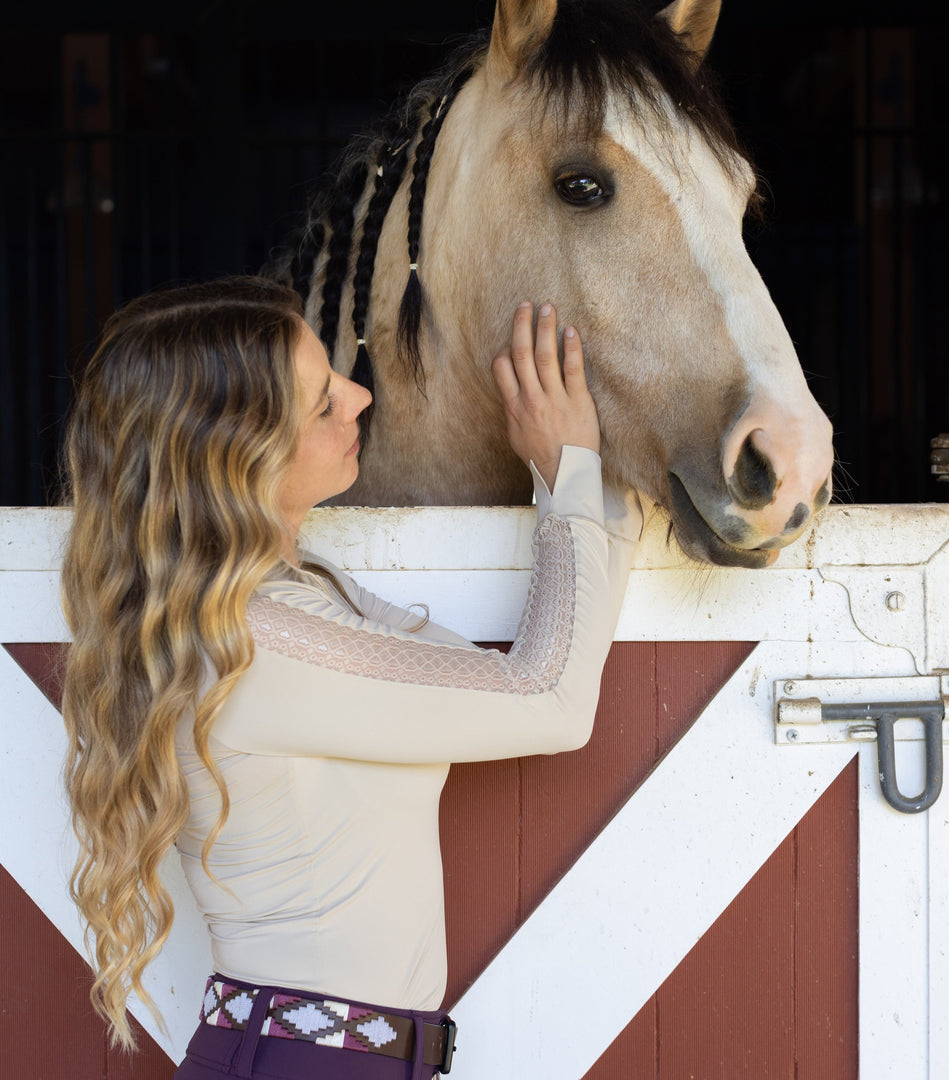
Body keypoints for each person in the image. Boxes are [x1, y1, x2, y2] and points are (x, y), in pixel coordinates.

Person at [61, 276, 642, 1080]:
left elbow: (491, 680)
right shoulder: (257, 640)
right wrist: (573, 470)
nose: (360, 396)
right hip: (306, 1062)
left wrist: (590, 489)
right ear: (235, 453)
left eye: (337, 376)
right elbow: (548, 699)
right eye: (319, 403)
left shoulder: (304, 593)